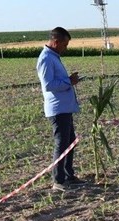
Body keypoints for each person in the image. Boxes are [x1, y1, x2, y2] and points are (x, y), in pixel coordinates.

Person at [37, 27, 83, 191]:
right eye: (64, 45)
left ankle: (68, 176)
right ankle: (59, 181)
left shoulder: (54, 57)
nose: (66, 48)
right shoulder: (46, 59)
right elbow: (48, 85)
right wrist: (69, 82)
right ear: (56, 42)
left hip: (65, 107)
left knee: (70, 142)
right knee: (61, 144)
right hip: (57, 109)